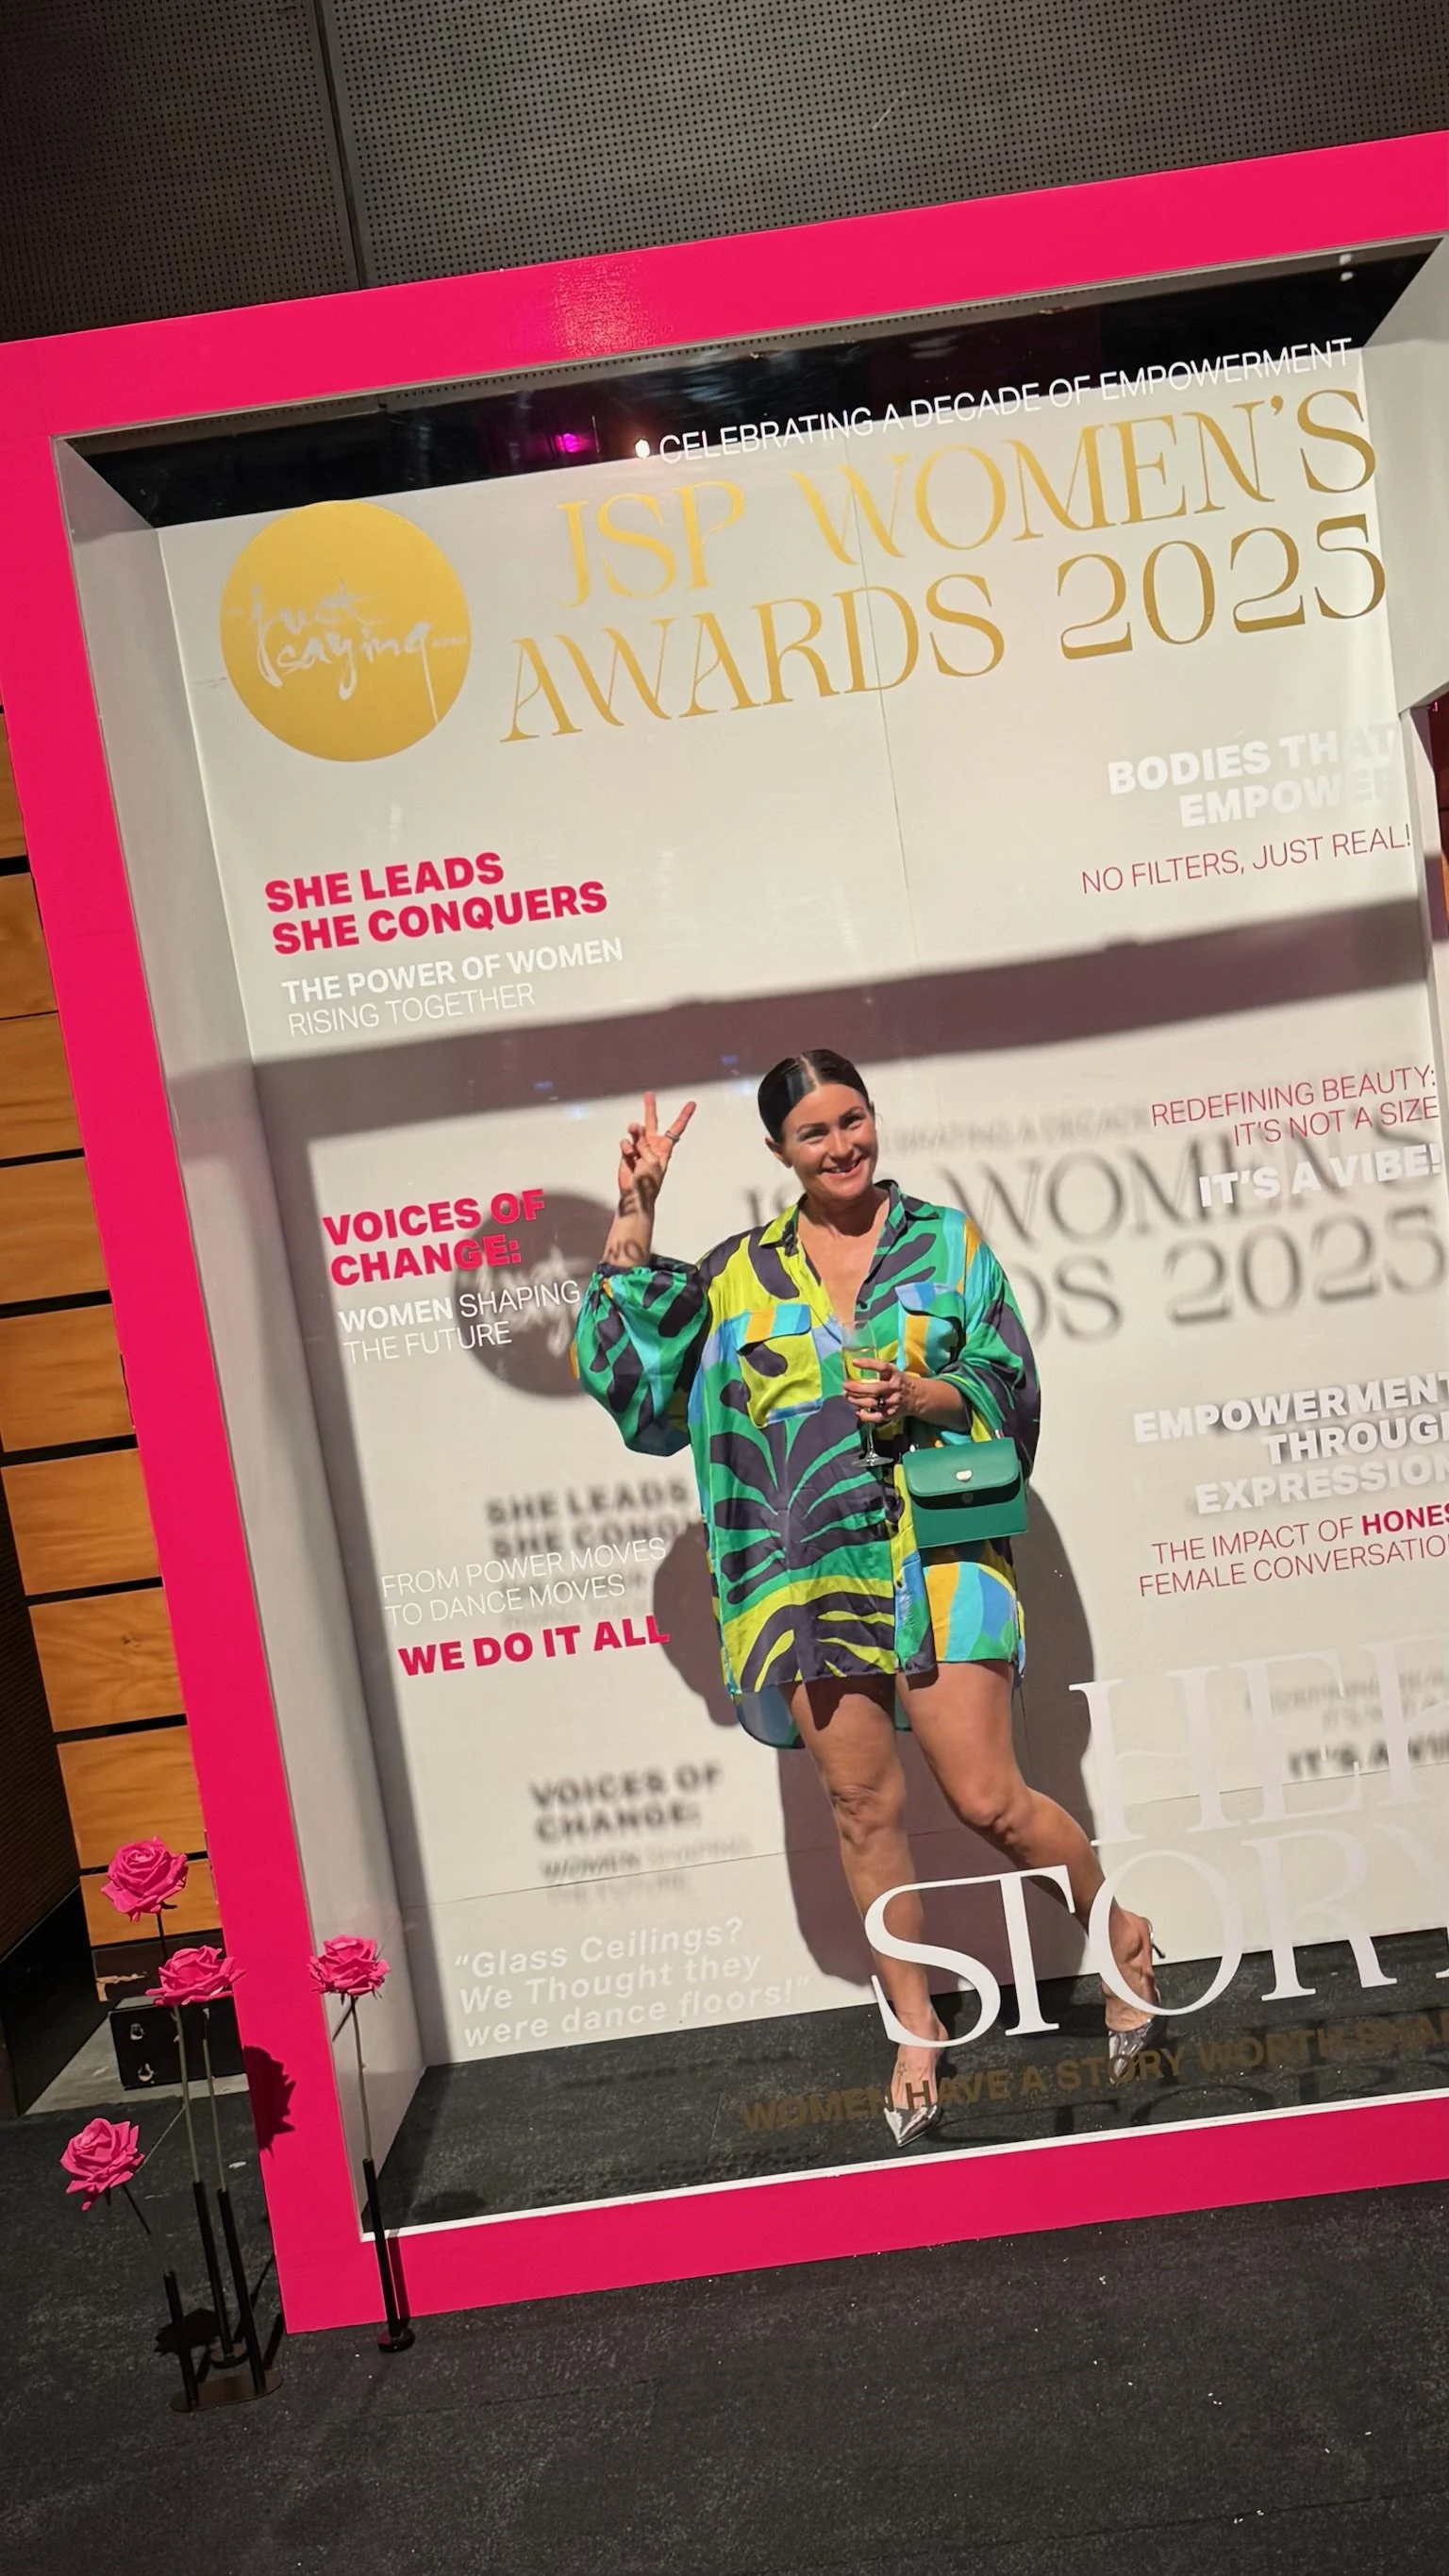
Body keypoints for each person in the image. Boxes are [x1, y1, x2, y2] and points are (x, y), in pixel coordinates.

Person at [573, 1050, 1161, 2146]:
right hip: (803, 1571)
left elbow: (1011, 1382)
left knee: (988, 1799)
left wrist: (925, 1392)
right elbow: (633, 1384)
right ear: (778, 1151)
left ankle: (1123, 1935)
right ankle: (916, 2025)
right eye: (815, 1133)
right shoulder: (738, 1274)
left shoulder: (946, 1243)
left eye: (854, 1120)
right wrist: (635, 1211)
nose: (842, 1145)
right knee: (860, 1809)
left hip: (939, 1550)